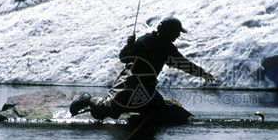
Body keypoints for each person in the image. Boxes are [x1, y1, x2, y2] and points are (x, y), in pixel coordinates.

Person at [70, 17, 214, 120]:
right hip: (129, 83)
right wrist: (129, 46)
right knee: (108, 109)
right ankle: (88, 99)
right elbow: (124, 58)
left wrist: (202, 73)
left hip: (147, 88)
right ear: (167, 31)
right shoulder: (145, 41)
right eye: (176, 32)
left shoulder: (168, 47)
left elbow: (183, 64)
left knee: (178, 115)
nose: (178, 35)